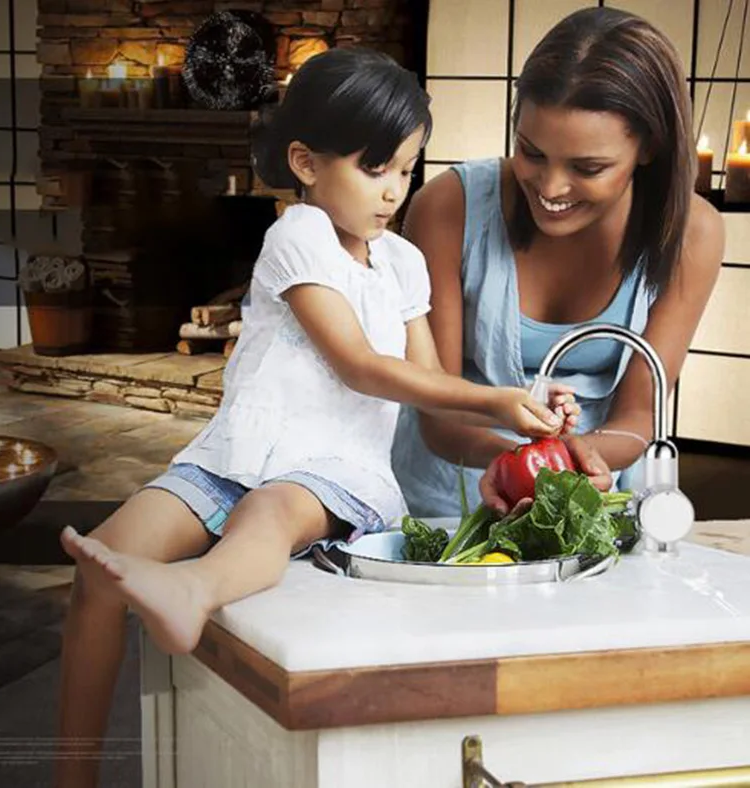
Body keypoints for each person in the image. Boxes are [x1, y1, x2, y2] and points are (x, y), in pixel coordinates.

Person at [53, 47, 574, 788]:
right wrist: (495, 397)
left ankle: (193, 592)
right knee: (100, 565)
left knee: (267, 514)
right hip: (229, 455)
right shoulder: (297, 235)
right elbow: (357, 364)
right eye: (375, 169)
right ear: (304, 161)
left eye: (406, 169)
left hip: (333, 473)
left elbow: (426, 387)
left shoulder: (402, 266)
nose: (394, 192)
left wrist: (517, 426)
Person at [392, 7, 724, 518]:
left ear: (650, 147)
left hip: (591, 493)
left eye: (588, 167)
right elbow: (437, 407)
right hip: (446, 494)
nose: (550, 189)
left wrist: (567, 468)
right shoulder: (447, 208)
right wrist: (519, 463)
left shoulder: (691, 234)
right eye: (532, 152)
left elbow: (638, 413)